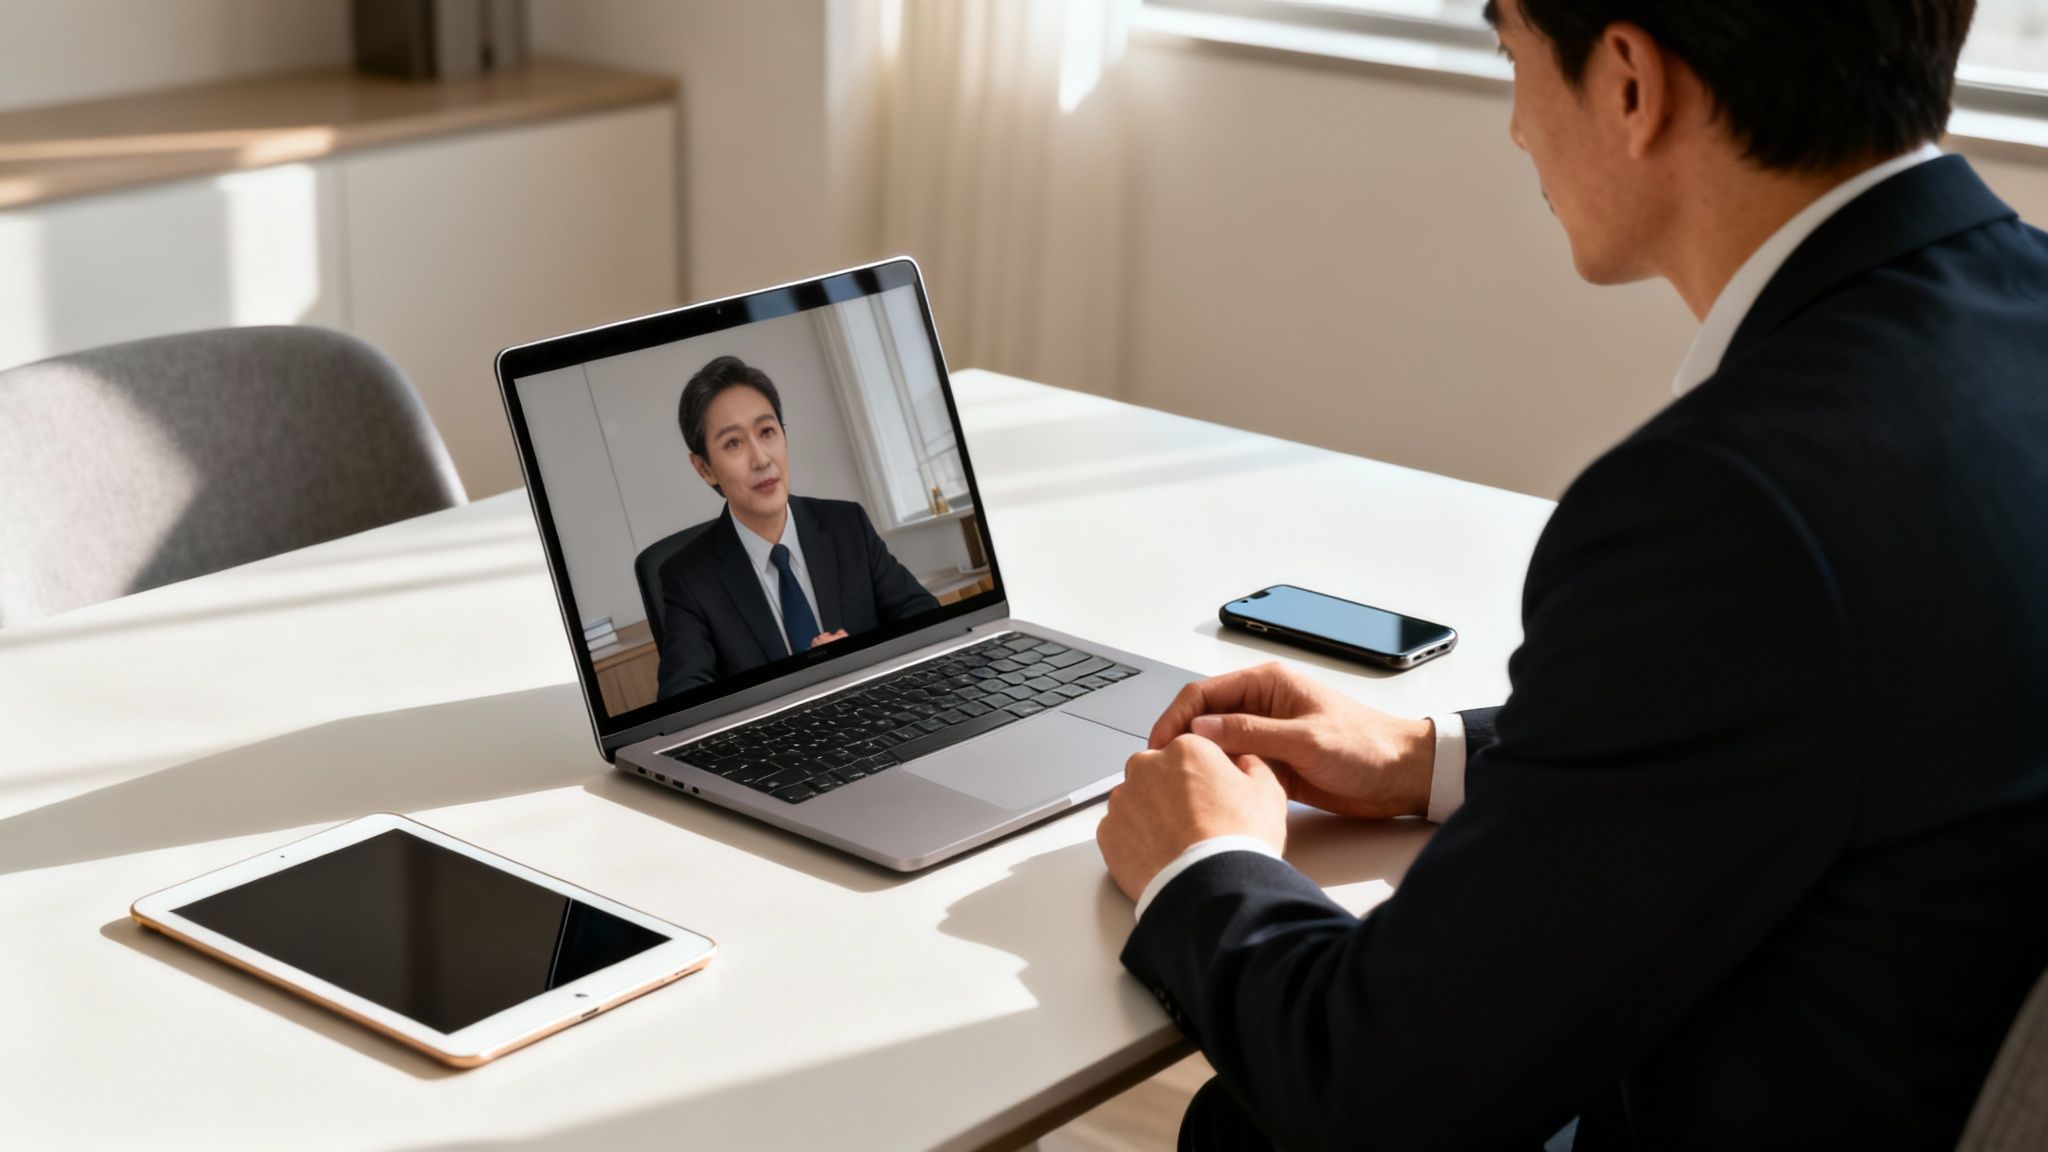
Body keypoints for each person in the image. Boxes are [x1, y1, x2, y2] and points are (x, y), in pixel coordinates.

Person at [1095, 0, 2048, 1148]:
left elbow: (1375, 1085)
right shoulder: (2015, 318)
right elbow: (1846, 703)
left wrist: (1201, 862)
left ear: (1631, 83)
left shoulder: (1724, 506)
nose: (1512, 127)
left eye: (1511, 55)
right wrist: (1428, 757)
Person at [655, 355, 939, 698]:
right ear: (704, 469)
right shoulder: (688, 579)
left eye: (767, 432)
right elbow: (682, 701)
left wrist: (861, 656)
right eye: (733, 443)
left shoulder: (848, 526)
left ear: (784, 436)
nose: (761, 459)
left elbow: (925, 617)